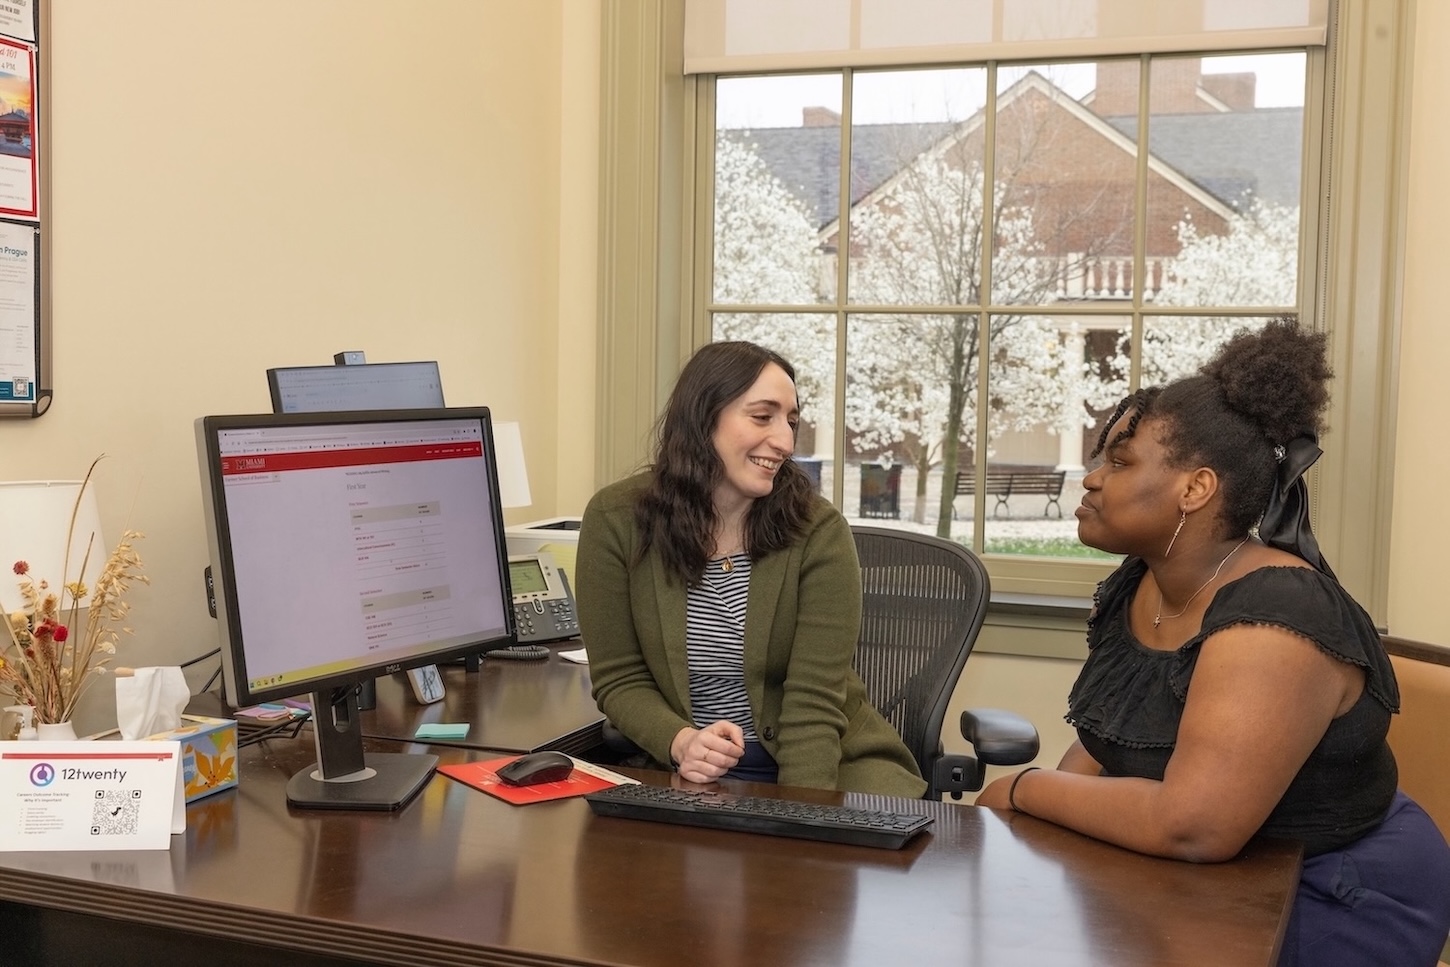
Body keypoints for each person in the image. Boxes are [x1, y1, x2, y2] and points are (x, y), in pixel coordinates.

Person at [975, 319, 1450, 966]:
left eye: (1119, 461)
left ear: (1195, 489)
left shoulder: (1276, 618)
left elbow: (1195, 826)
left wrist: (1024, 790)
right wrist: (1038, 824)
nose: (1091, 478)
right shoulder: (1141, 584)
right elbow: (1108, 740)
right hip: (1205, 874)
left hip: (1331, 886)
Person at [576, 340, 926, 798]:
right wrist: (681, 742)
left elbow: (813, 704)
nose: (785, 442)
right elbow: (620, 679)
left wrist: (801, 816)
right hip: (689, 775)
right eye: (763, 417)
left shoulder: (818, 530)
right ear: (703, 417)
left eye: (791, 422)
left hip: (830, 769)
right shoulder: (616, 519)